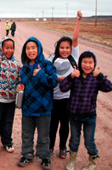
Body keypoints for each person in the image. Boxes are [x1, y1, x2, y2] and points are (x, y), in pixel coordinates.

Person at [60, 51, 112, 170]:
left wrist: (100, 76)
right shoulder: (75, 76)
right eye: (85, 62)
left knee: (89, 140)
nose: (87, 65)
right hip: (74, 115)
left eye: (90, 62)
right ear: (80, 63)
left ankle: (93, 161)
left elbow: (109, 87)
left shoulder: (96, 78)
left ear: (94, 64)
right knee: (74, 139)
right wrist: (71, 76)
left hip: (89, 116)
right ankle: (72, 160)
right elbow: (63, 87)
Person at [17, 37, 57, 170]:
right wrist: (19, 86)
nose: (30, 50)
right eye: (28, 48)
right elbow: (20, 82)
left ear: (39, 49)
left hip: (44, 108)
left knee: (44, 135)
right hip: (28, 107)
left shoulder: (47, 65)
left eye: (33, 47)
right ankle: (27, 154)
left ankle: (45, 157)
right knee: (26, 134)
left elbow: (53, 82)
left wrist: (40, 75)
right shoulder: (24, 68)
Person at [48, 10, 82, 159]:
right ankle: (49, 146)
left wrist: (78, 21)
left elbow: (75, 39)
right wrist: (65, 78)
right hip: (54, 97)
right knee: (52, 124)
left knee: (65, 125)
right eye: (62, 48)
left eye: (67, 48)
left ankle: (62, 148)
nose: (65, 50)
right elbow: (49, 76)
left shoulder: (74, 57)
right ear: (57, 48)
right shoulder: (52, 58)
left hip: (68, 98)